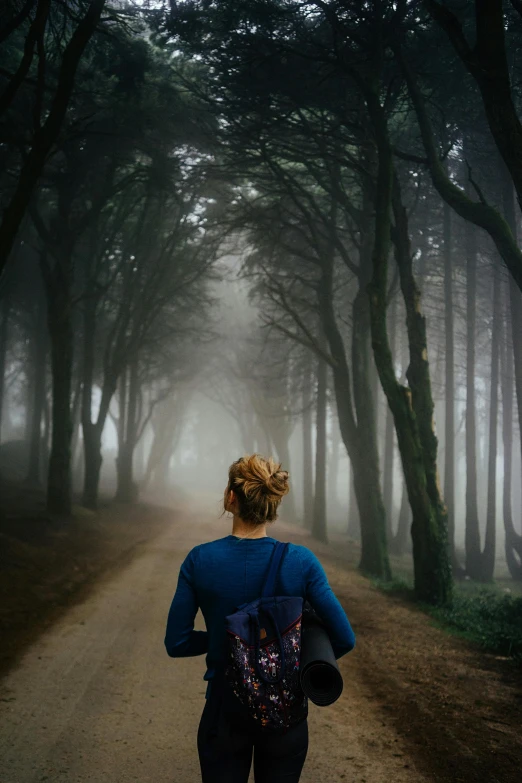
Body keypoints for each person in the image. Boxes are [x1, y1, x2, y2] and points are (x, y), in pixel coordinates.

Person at [164, 453, 356, 783]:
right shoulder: (302, 562)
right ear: (272, 503)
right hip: (285, 714)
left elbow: (177, 642)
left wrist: (224, 641)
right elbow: (344, 637)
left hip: (224, 711)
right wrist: (284, 658)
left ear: (230, 497)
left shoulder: (200, 560)